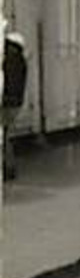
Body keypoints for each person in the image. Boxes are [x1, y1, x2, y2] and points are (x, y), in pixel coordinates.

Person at [3, 31, 27, 181]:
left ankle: (8, 168)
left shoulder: (11, 61)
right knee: (6, 136)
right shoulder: (20, 61)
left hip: (7, 103)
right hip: (15, 103)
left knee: (4, 137)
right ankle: (9, 168)